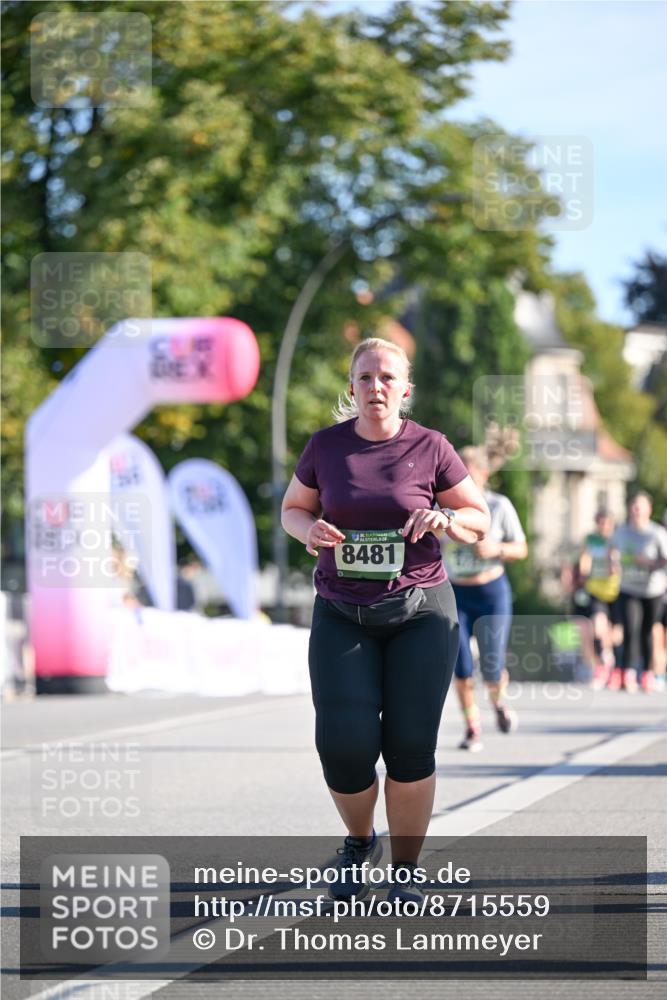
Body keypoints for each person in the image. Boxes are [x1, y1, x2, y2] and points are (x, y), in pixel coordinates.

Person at [281, 338, 489, 904]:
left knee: (409, 746)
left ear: (405, 389)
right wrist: (308, 532)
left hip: (420, 610)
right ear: (351, 387)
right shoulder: (325, 448)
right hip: (342, 612)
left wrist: (444, 516)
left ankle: (405, 870)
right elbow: (293, 509)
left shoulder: (431, 447)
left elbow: (480, 518)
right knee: (342, 745)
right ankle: (358, 840)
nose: (376, 386)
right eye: (365, 377)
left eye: (387, 377)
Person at [442, 446, 528, 752]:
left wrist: (497, 549)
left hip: (491, 593)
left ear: (484, 473)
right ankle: (472, 728)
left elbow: (521, 548)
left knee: (491, 665)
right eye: (457, 470)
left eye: (468, 470)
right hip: (456, 593)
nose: (461, 477)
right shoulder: (443, 507)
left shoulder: (498, 505)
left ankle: (498, 699)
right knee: (461, 665)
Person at [610, 491, 667, 693]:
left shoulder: (657, 533)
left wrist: (649, 562)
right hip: (628, 588)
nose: (636, 510)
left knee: (648, 631)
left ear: (648, 510)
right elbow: (612, 551)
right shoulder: (621, 531)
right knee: (630, 628)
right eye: (633, 506)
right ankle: (628, 673)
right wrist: (613, 563)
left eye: (640, 507)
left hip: (653, 590)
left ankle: (648, 674)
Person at [577, 510, 621, 690]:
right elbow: (584, 558)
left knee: (616, 635)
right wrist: (583, 571)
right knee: (598, 626)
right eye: (601, 523)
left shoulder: (617, 539)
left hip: (617, 591)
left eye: (607, 523)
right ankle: (603, 664)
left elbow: (617, 567)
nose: (604, 526)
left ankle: (612, 665)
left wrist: (614, 561)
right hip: (596, 591)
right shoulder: (591, 539)